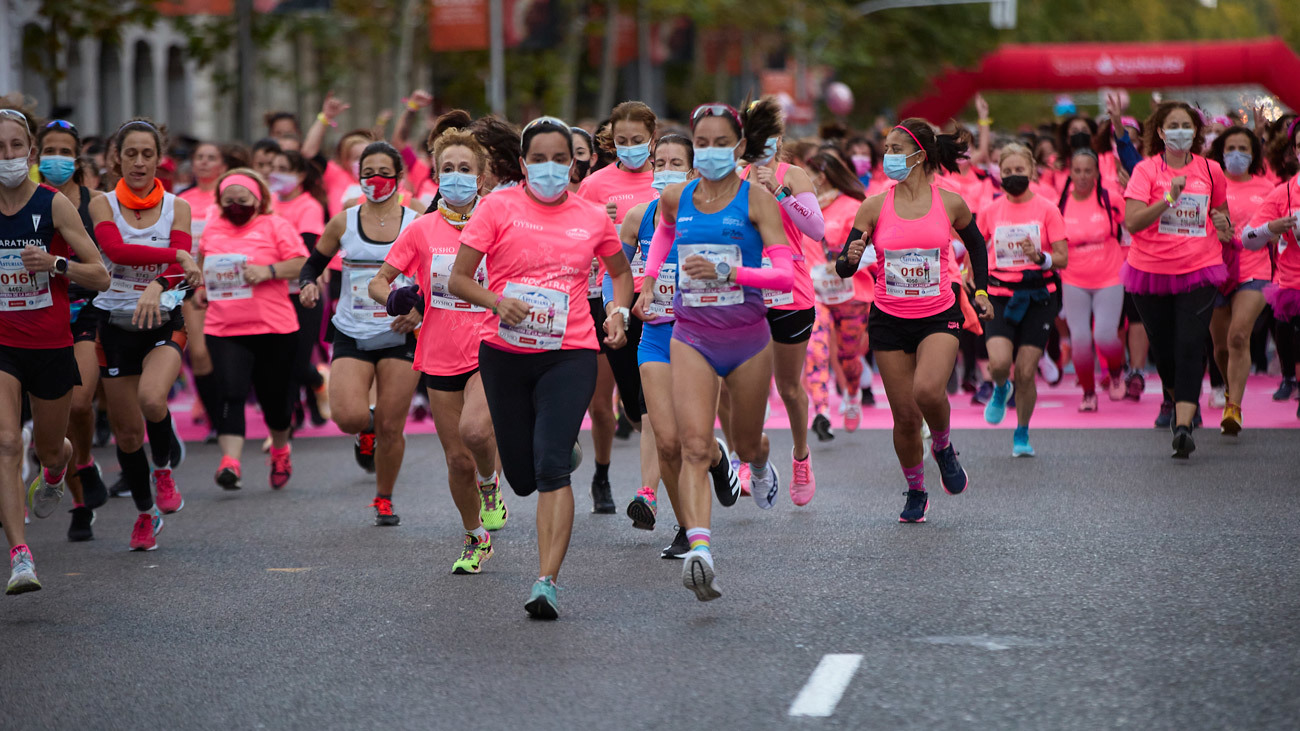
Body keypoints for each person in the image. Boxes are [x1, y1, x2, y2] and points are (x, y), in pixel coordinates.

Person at [449, 115, 634, 619]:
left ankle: (546, 581)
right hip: (504, 353)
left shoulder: (593, 216)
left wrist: (617, 311)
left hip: (570, 352)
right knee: (524, 477)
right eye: (539, 158)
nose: (551, 167)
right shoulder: (496, 208)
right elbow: (459, 279)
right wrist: (495, 301)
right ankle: (549, 450)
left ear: (573, 162)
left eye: (561, 158)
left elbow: (620, 274)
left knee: (551, 469)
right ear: (523, 162)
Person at [640, 102, 792, 600]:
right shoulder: (675, 196)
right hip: (692, 335)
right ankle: (701, 549)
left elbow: (786, 276)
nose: (708, 152)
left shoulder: (757, 202)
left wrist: (731, 273)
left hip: (747, 340)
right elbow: (663, 234)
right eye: (700, 143)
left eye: (719, 142)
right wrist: (647, 283)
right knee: (695, 446)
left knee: (745, 444)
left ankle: (762, 461)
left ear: (740, 147)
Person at [837, 119, 991, 524]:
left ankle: (942, 445)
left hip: (939, 313)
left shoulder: (949, 202)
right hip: (889, 318)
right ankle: (917, 489)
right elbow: (843, 263)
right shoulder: (874, 205)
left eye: (893, 149)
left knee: (927, 391)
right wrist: (849, 258)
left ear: (919, 156)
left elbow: (976, 244)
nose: (886, 157)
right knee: (904, 417)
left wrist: (981, 292)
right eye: (885, 149)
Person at [371, 126, 507, 572]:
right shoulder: (422, 230)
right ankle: (475, 537)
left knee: (475, 433)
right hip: (440, 351)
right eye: (447, 169)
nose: (456, 176)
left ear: (482, 177)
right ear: (435, 175)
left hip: (491, 345)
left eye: (465, 169)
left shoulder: (500, 221)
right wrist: (395, 299)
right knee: (456, 459)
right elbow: (379, 281)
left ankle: (491, 482)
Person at [1, 105, 110, 593]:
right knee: (5, 442)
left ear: (31, 152)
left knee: (49, 446)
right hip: (2, 341)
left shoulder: (52, 205)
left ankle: (57, 469)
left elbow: (100, 274)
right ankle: (21, 556)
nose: (7, 155)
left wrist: (55, 263)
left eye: (15, 146)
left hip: (49, 341)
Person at [91, 119, 203, 551]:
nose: (139, 162)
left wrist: (162, 280)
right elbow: (117, 252)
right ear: (117, 158)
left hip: (163, 324)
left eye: (148, 154)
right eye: (131, 154)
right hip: (114, 325)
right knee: (127, 435)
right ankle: (144, 513)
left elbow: (179, 274)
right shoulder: (103, 204)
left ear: (160, 158)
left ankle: (163, 468)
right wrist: (175, 253)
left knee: (153, 400)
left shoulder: (178, 207)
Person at [623, 135, 740, 552]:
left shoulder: (711, 217)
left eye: (675, 163)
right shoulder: (642, 217)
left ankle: (716, 456)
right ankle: (688, 529)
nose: (664, 170)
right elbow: (617, 272)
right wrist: (621, 307)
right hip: (654, 335)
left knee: (692, 441)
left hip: (700, 336)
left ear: (692, 172)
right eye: (659, 162)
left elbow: (739, 268)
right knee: (667, 442)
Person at [299, 142, 423, 525]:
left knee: (392, 424)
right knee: (349, 416)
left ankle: (383, 498)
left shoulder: (417, 218)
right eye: (368, 172)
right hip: (352, 329)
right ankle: (362, 429)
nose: (375, 180)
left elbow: (439, 272)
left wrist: (419, 310)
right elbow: (313, 264)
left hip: (400, 330)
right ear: (358, 177)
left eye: (384, 172)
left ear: (399, 178)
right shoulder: (344, 221)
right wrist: (307, 284)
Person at [1122, 101, 1232, 458]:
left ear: (1195, 132)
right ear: (1160, 132)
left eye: (1187, 125)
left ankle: (1184, 425)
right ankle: (1176, 399)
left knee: (1189, 344)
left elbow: (1222, 215)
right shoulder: (1145, 171)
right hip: (1150, 270)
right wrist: (1168, 198)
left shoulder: (1212, 170)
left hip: (1199, 268)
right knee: (1165, 348)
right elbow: (1133, 222)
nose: (1181, 131)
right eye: (1174, 125)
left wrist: (1224, 227)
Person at [738, 97, 825, 505]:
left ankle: (801, 456)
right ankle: (748, 453)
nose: (763, 144)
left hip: (790, 293)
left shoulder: (795, 175)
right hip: (743, 292)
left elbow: (816, 229)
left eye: (769, 136)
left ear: (778, 139)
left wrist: (779, 189)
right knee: (742, 384)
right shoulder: (731, 178)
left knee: (789, 388)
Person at [196, 169, 307, 487]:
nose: (235, 206)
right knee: (230, 392)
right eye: (228, 200)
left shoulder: (276, 225)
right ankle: (230, 463)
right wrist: (203, 290)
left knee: (275, 401)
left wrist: (268, 270)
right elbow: (206, 269)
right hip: (225, 327)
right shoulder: (212, 229)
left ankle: (280, 450)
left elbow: (302, 262)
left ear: (258, 201)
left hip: (274, 328)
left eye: (242, 200)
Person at [577, 101, 658, 514]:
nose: (629, 148)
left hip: (664, 304)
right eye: (621, 141)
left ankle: (656, 490)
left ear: (652, 139)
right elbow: (575, 245)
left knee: (656, 403)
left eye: (637, 140)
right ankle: (602, 472)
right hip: (610, 300)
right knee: (628, 406)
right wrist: (599, 225)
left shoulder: (672, 180)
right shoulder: (595, 185)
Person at [35, 119, 111, 540]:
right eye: (50, 151)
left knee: (81, 404)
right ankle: (80, 500)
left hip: (86, 308)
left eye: (66, 152)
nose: (57, 160)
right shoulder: (21, 199)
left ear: (77, 156)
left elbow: (107, 260)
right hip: (35, 314)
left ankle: (83, 464)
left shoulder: (93, 201)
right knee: (55, 416)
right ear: (35, 154)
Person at [979, 143, 1068, 457]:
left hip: (1039, 295)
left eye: (1019, 170)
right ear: (998, 174)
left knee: (1027, 371)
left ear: (1031, 171)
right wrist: (972, 282)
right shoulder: (991, 210)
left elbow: (1063, 258)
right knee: (1001, 364)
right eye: (1007, 171)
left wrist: (1041, 257)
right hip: (999, 295)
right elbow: (977, 252)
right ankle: (1002, 388)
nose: (1013, 176)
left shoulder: (1048, 209)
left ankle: (1022, 432)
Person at [1206, 126, 1274, 434]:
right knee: (1220, 348)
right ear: (1221, 152)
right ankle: (1231, 388)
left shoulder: (1268, 186)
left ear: (1253, 153)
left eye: (1243, 148)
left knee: (1238, 336)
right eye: (1230, 147)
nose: (1237, 154)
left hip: (1255, 270)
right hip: (1214, 269)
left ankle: (1233, 409)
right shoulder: (1209, 184)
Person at [804, 152, 869, 435]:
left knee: (848, 357)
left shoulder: (854, 207)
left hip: (851, 294)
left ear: (821, 175)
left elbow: (874, 249)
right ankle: (821, 411)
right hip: (814, 294)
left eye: (805, 172)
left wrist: (843, 263)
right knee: (814, 348)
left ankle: (852, 393)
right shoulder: (799, 209)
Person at [1058, 147, 1127, 411]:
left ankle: (1116, 371)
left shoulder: (1110, 198)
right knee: (1081, 340)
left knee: (1105, 335)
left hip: (1109, 276)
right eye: (1077, 170)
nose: (1083, 175)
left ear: (1097, 172)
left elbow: (1132, 224)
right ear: (1070, 172)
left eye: (1088, 170)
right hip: (1073, 279)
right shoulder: (1061, 203)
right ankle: (1088, 392)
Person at [269, 149, 330, 428]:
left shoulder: (309, 206)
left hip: (304, 293)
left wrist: (271, 261)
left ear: (301, 175)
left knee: (296, 360)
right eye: (273, 167)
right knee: (277, 360)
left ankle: (313, 387)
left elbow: (305, 251)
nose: (275, 173)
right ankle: (295, 412)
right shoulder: (266, 203)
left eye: (283, 168)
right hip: (272, 294)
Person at [1244, 118, 1300, 420]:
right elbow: (1247, 238)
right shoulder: (1283, 194)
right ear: (1294, 151)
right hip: (1291, 281)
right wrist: (1270, 228)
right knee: (1287, 330)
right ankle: (1289, 377)